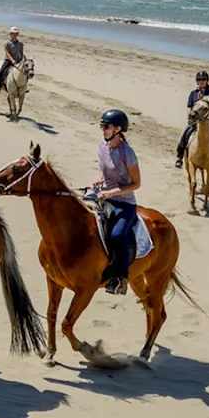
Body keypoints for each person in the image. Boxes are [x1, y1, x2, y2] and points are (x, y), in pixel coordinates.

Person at [87, 108, 141, 296]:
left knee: (117, 236)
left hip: (124, 204)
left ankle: (121, 279)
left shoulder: (128, 153)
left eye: (106, 127)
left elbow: (136, 184)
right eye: (102, 126)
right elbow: (106, 169)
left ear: (118, 129)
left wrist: (110, 192)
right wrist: (100, 179)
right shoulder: (102, 147)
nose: (103, 130)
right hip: (103, 195)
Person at [173, 70, 209, 170]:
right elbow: (189, 107)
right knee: (183, 135)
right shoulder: (193, 93)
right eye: (199, 80)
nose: (201, 81)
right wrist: (190, 116)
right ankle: (179, 158)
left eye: (203, 79)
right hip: (195, 120)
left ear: (207, 80)